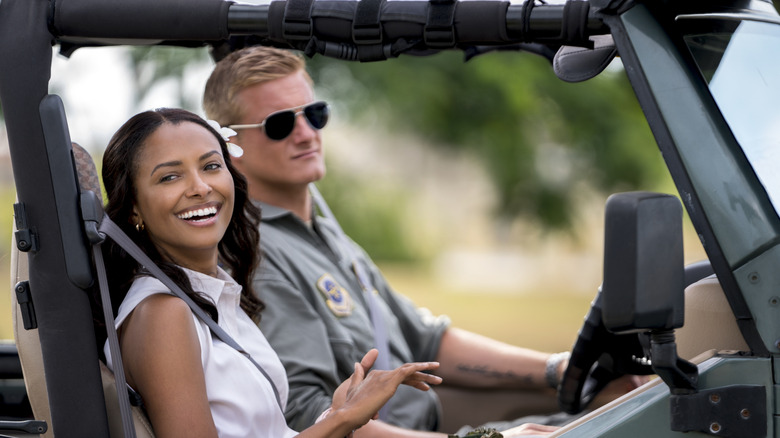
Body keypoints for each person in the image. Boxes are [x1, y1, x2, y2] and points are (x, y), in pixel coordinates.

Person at [202, 46, 601, 437]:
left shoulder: (326, 235)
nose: (306, 133)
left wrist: (561, 369)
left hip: (429, 419)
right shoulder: (254, 254)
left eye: (315, 113)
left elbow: (427, 340)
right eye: (280, 124)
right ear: (229, 146)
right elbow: (310, 416)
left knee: (615, 397)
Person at [99, 107, 443, 438]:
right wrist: (342, 419)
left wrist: (334, 414)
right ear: (132, 208)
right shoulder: (163, 312)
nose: (200, 187)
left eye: (211, 166)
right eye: (170, 176)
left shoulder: (212, 294)